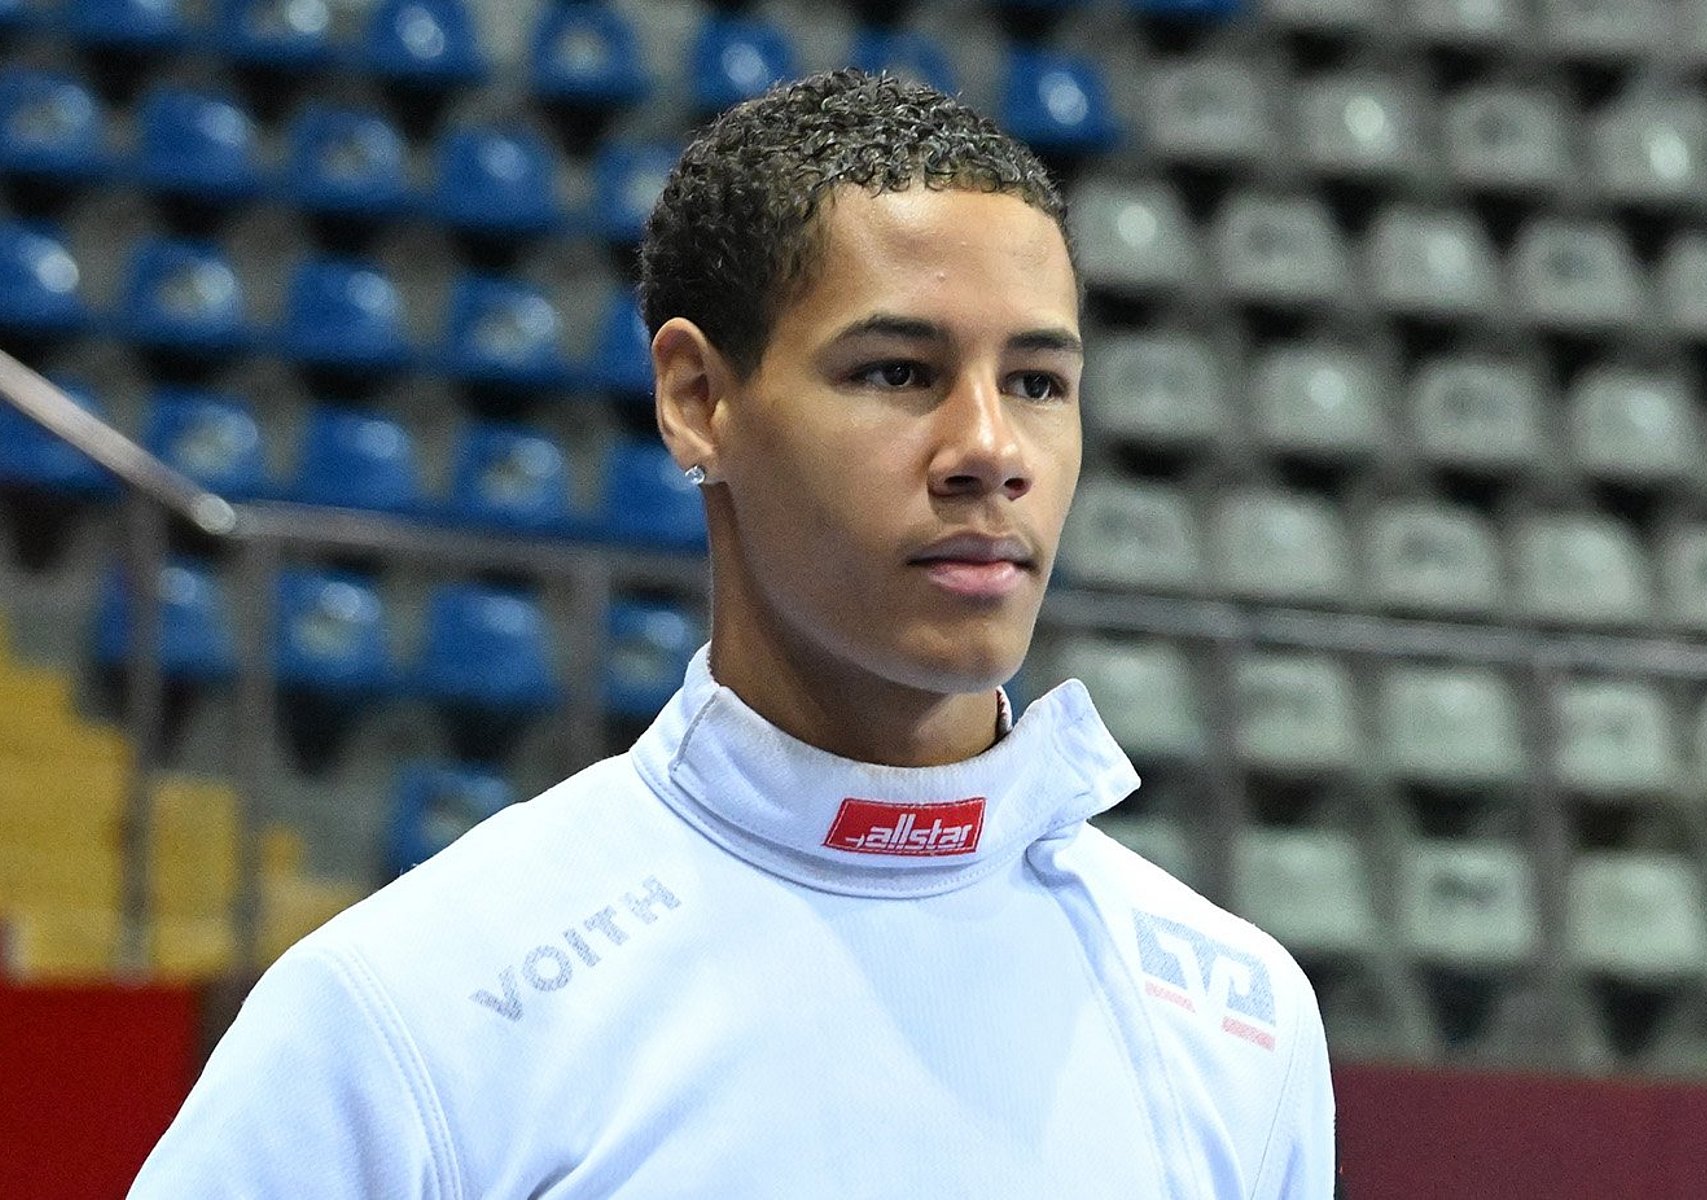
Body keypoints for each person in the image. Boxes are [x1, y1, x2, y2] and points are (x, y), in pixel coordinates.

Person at [132, 70, 1336, 1197]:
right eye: (898, 372)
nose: (990, 450)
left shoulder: (1236, 1020)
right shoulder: (423, 1005)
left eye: (1036, 383)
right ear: (698, 400)